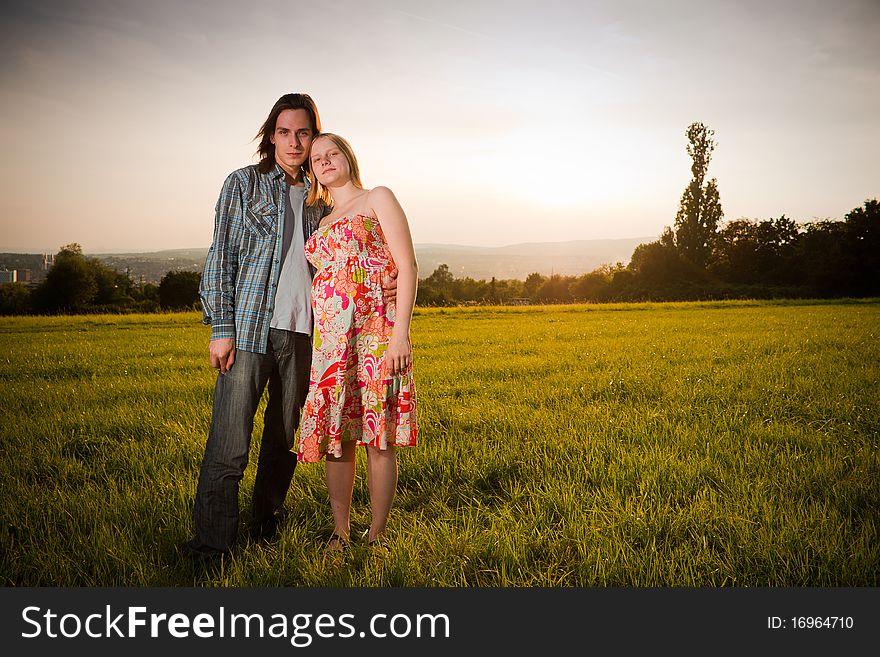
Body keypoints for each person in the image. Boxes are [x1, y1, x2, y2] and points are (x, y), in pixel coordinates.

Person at [185, 93, 329, 563]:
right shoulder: (242, 185)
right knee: (229, 445)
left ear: (314, 136)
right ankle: (212, 546)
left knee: (283, 442)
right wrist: (220, 327)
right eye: (284, 132)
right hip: (247, 331)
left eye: (303, 133)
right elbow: (221, 255)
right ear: (271, 135)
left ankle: (266, 524)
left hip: (303, 336)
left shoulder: (319, 197)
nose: (294, 142)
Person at [296, 133, 418, 553]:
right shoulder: (321, 219)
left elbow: (407, 265)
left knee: (378, 435)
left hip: (377, 336)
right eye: (317, 158)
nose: (325, 161)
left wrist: (400, 334)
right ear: (311, 170)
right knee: (338, 436)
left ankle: (378, 536)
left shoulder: (376, 198)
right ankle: (340, 532)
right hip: (330, 344)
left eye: (333, 153)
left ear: (348, 158)